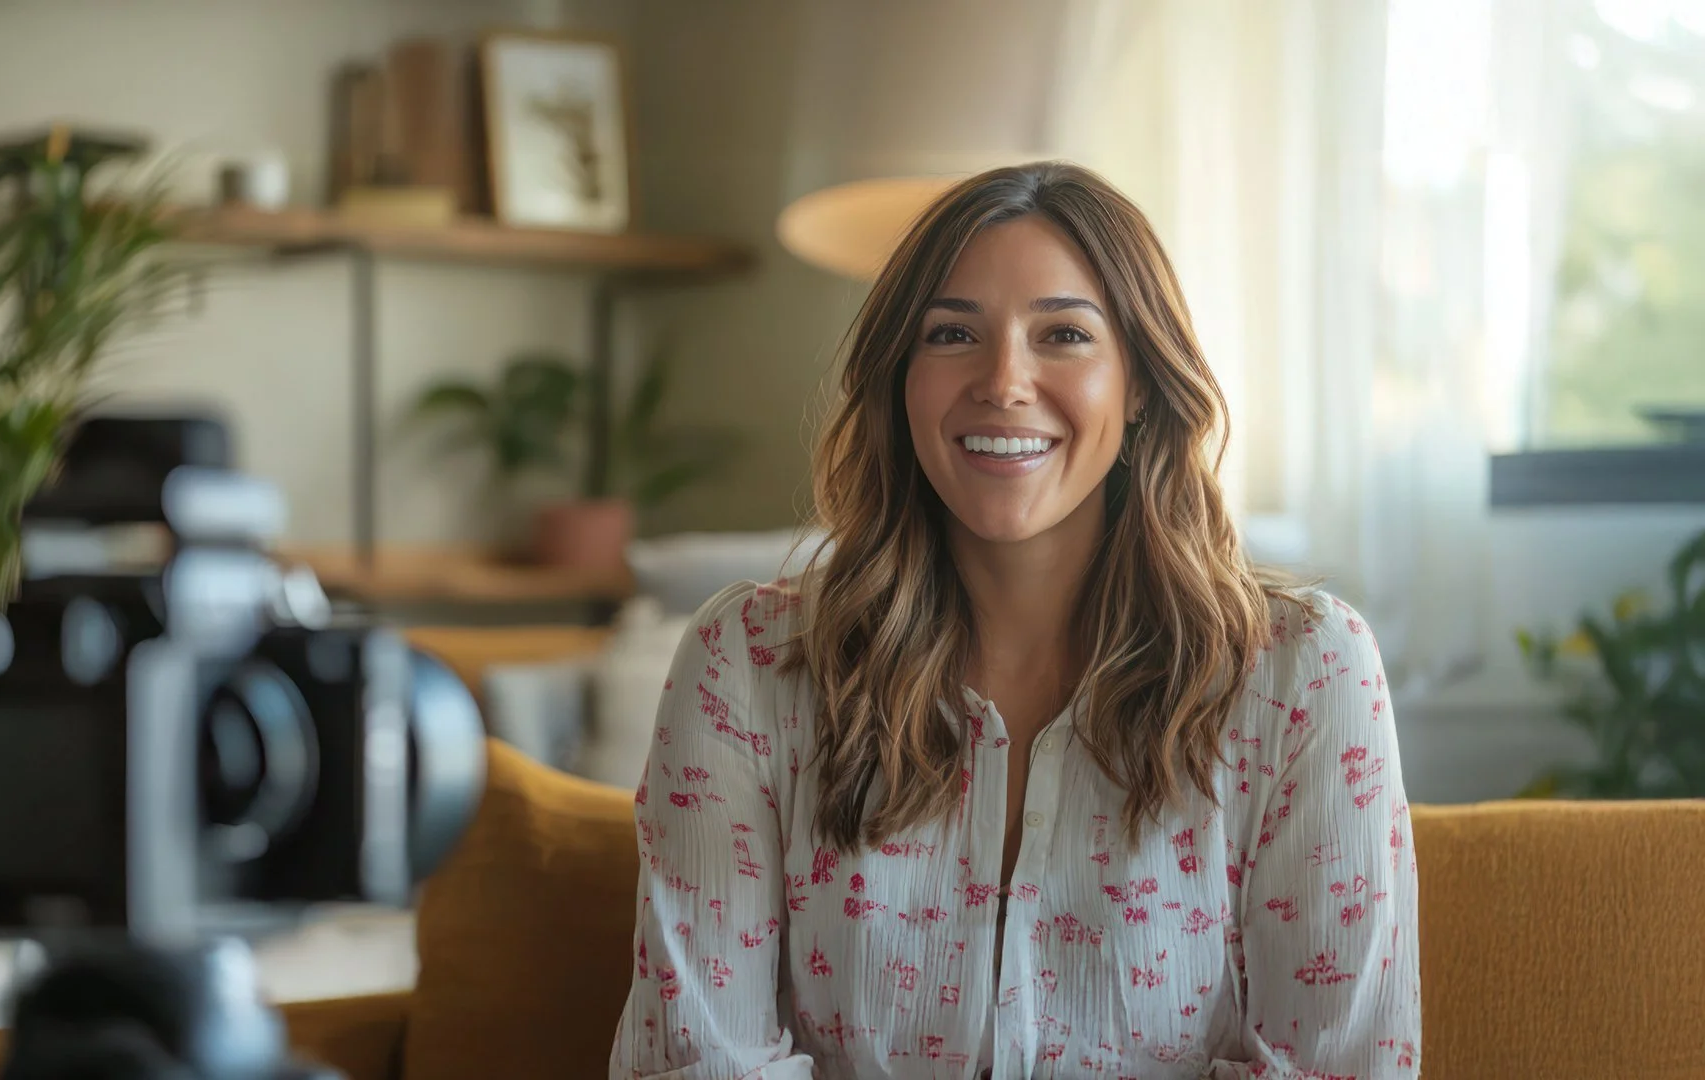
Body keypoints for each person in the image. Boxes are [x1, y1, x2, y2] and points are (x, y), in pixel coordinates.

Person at [608, 162, 1420, 1079]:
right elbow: (697, 1062)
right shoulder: (747, 670)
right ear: (899, 380)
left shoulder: (1304, 675)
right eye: (953, 333)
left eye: (1064, 334)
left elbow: (1340, 1068)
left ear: (1142, 383)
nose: (1003, 381)